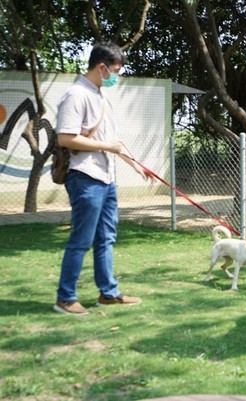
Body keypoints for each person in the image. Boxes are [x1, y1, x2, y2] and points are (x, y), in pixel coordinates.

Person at [53, 42, 152, 315]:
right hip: (85, 177)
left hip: (106, 179)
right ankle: (65, 297)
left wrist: (134, 165)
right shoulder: (76, 95)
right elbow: (66, 138)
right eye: (115, 71)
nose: (115, 77)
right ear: (101, 67)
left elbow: (112, 142)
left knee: (106, 237)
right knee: (81, 240)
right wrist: (110, 148)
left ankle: (108, 293)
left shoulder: (99, 96)